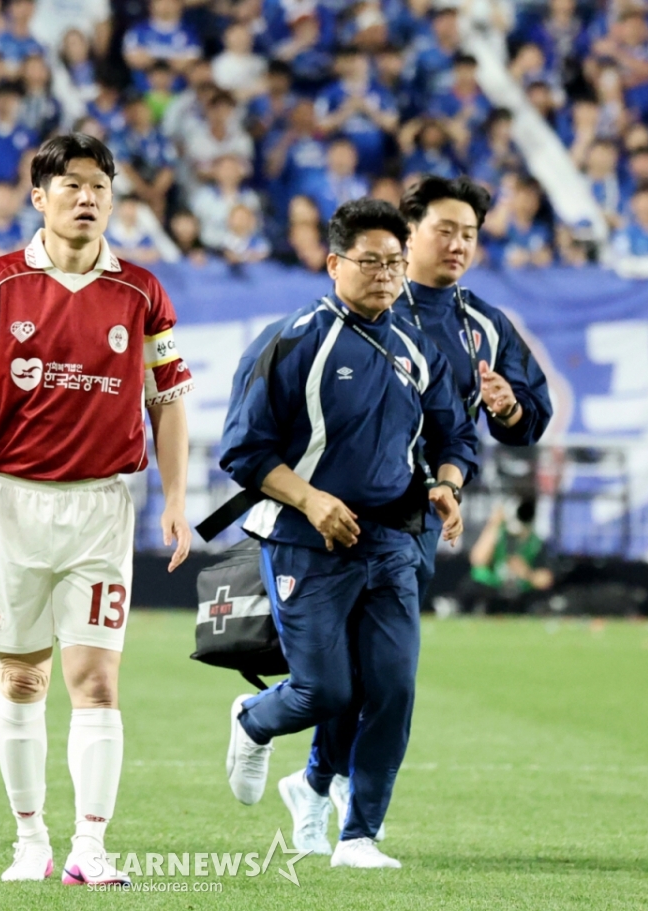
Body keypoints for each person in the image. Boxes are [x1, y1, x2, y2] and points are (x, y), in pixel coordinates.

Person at [0, 133, 193, 885]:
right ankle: (30, 841)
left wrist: (176, 498)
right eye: (72, 184)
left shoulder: (142, 292)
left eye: (100, 186)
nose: (88, 197)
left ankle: (90, 848)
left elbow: (169, 400)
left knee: (97, 681)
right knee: (21, 680)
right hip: (8, 502)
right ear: (38, 197)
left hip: (102, 507)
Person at [283, 174, 554, 849]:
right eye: (445, 230)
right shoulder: (369, 303)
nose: (459, 244)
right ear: (409, 234)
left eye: (470, 234)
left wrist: (508, 407)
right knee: (348, 671)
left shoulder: (484, 324)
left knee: (382, 672)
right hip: (342, 511)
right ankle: (326, 786)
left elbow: (530, 414)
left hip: (421, 517)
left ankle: (324, 788)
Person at [220, 199, 478, 868]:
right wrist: (312, 501)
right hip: (306, 541)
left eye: (395, 262)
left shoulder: (415, 345)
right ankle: (253, 718)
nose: (386, 274)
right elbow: (243, 450)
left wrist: (447, 483)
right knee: (325, 691)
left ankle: (359, 835)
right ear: (334, 263)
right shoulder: (292, 340)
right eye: (371, 262)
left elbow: (453, 431)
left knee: (392, 689)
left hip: (393, 541)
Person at [457, 499, 553, 614]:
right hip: (493, 587)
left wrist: (527, 574)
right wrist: (494, 524)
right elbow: (477, 560)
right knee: (471, 586)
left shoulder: (536, 543)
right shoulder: (498, 535)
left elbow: (546, 579)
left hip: (522, 593)